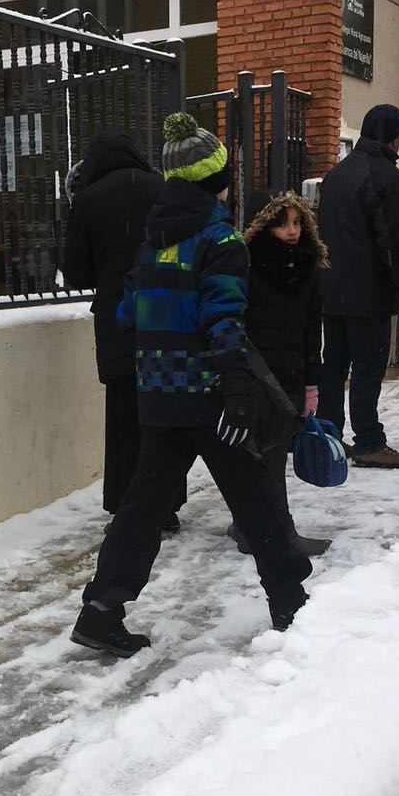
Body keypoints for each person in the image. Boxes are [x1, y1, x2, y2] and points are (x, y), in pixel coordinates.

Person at [69, 112, 312, 658]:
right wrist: (236, 388)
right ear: (217, 180)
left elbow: (129, 310)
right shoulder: (219, 237)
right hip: (207, 394)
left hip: (156, 393)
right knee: (255, 497)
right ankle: (293, 604)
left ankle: (102, 609)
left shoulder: (152, 238)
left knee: (143, 507)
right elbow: (223, 318)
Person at [61, 131, 175, 521]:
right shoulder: (161, 188)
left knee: (125, 416)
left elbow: (74, 272)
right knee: (162, 412)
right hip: (166, 311)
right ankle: (167, 503)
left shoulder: (89, 200)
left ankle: (131, 505)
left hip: (118, 317)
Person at [229, 189, 331, 558]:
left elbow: (310, 331)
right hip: (256, 374)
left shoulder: (307, 270)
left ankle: (251, 524)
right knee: (263, 456)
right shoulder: (248, 268)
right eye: (282, 223)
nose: (292, 231)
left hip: (289, 373)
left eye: (297, 223)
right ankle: (275, 532)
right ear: (263, 226)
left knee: (269, 455)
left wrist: (311, 383)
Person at [315, 103, 399, 468]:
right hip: (369, 293)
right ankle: (370, 441)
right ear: (393, 136)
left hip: (332, 291)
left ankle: (327, 436)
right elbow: (396, 243)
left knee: (335, 364)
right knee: (367, 368)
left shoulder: (336, 177)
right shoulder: (389, 179)